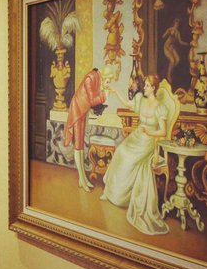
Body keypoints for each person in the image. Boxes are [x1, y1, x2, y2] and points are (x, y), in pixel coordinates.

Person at [100, 74, 169, 235]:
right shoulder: (141, 100)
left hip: (148, 141)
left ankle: (121, 197)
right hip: (136, 136)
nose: (144, 88)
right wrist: (116, 92)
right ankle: (111, 192)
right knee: (121, 151)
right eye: (145, 85)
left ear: (153, 88)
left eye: (147, 85)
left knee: (129, 159)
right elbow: (127, 103)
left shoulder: (160, 107)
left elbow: (163, 132)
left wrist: (149, 132)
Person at [63, 66, 113, 192]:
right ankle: (82, 178)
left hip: (82, 111)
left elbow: (90, 100)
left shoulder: (96, 78)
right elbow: (91, 100)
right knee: (78, 145)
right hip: (77, 111)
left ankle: (83, 179)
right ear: (103, 77)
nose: (108, 84)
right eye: (108, 81)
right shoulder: (90, 78)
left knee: (80, 145)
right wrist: (104, 96)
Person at [162, 18, 188, 84]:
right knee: (172, 61)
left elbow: (180, 42)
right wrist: (168, 33)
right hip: (166, 47)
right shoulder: (170, 29)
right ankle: (168, 75)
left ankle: (170, 70)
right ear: (174, 23)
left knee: (178, 60)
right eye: (176, 23)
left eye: (177, 24)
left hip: (172, 47)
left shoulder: (177, 32)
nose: (176, 25)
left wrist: (187, 44)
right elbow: (163, 36)